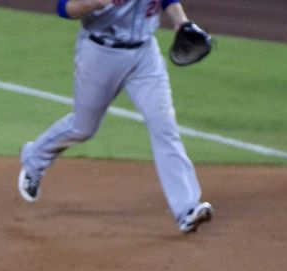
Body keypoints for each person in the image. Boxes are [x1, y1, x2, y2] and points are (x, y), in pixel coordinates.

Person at [18, 0, 213, 233]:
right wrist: (92, 2)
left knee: (164, 125)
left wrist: (181, 21)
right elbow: (63, 8)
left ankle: (187, 208)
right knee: (83, 127)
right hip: (100, 53)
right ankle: (34, 158)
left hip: (145, 55)